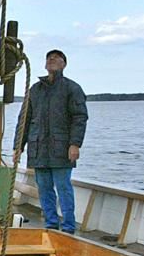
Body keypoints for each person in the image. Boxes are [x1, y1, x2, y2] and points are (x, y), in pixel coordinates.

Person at [12, 49, 88, 234]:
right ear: (45, 64)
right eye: (49, 58)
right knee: (44, 188)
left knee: (63, 188)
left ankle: (69, 227)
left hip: (62, 148)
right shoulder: (35, 90)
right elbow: (24, 119)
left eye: (57, 58)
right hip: (38, 149)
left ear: (64, 64)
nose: (52, 60)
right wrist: (18, 147)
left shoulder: (72, 88)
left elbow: (80, 117)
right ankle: (51, 225)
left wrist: (75, 144)